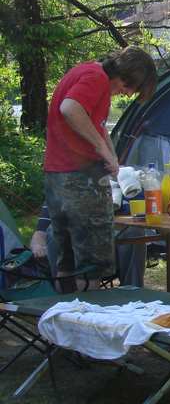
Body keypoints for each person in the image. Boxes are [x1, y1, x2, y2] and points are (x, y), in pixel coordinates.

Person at [43, 46, 157, 291]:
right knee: (91, 265)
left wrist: (112, 155)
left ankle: (67, 311)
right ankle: (90, 314)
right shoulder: (97, 78)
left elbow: (97, 125)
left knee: (67, 260)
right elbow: (70, 108)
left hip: (58, 176)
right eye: (131, 88)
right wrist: (102, 150)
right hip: (82, 180)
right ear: (126, 76)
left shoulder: (87, 72)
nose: (127, 94)